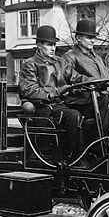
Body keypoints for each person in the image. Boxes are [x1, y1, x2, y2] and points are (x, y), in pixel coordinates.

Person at [18, 24, 85, 163]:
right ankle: (75, 159)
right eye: (49, 45)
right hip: (43, 107)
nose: (53, 48)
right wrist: (55, 92)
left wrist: (92, 81)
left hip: (61, 105)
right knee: (74, 116)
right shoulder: (30, 64)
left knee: (88, 110)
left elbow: (76, 77)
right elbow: (28, 89)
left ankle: (92, 154)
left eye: (54, 45)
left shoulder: (60, 62)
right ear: (39, 45)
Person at [62, 19, 109, 134]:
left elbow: (107, 77)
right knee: (105, 103)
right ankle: (103, 143)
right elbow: (70, 78)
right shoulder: (70, 57)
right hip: (81, 101)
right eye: (89, 37)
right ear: (78, 38)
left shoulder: (97, 58)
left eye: (94, 38)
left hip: (100, 99)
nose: (93, 41)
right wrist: (92, 83)